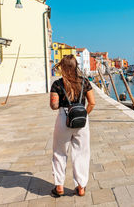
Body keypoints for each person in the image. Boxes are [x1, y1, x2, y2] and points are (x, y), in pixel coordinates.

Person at [49, 55, 95, 197]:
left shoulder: (57, 84)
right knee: (81, 153)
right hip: (81, 119)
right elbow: (92, 103)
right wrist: (84, 115)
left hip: (64, 118)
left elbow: (54, 106)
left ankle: (59, 187)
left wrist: (59, 101)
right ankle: (81, 187)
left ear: (62, 67)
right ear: (76, 67)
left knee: (59, 152)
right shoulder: (85, 82)